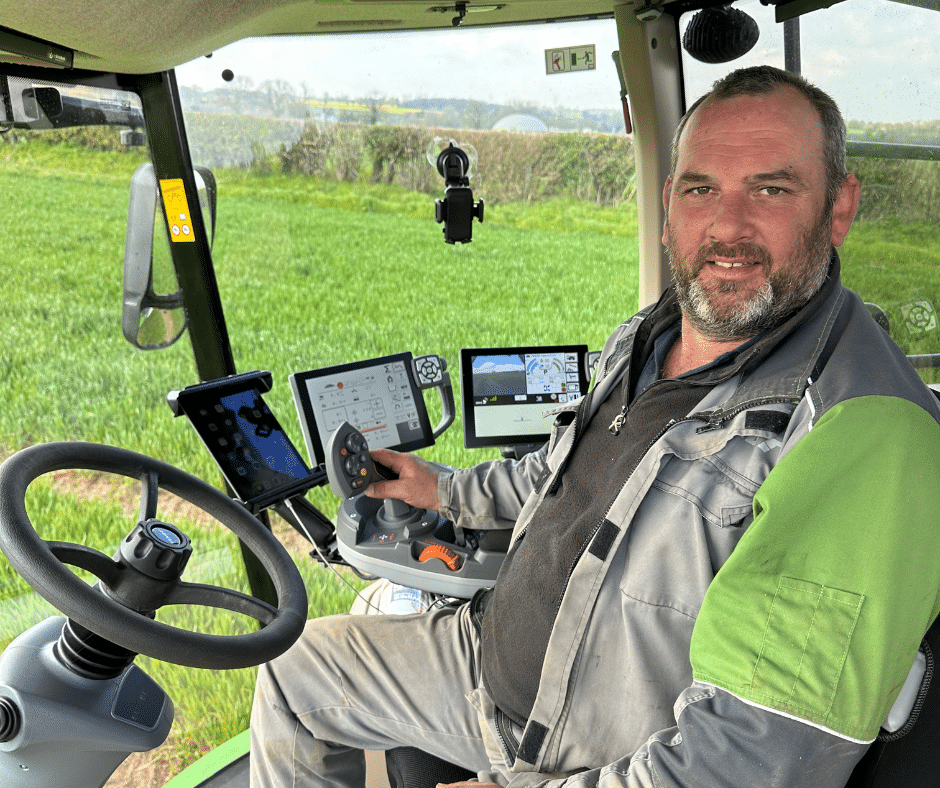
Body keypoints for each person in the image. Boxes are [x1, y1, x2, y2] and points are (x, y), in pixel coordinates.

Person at [250, 65, 940, 788]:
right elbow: (555, 471)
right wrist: (445, 491)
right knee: (292, 669)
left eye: (771, 189)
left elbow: (753, 760)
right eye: (701, 188)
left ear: (839, 206)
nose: (728, 225)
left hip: (593, 759)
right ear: (670, 205)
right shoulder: (651, 334)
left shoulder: (865, 434)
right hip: (485, 668)